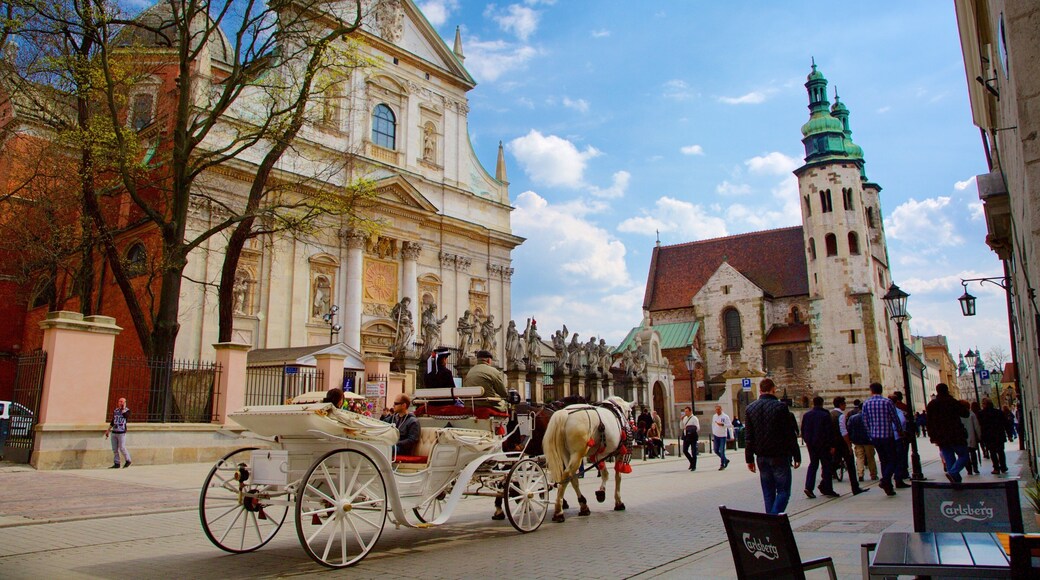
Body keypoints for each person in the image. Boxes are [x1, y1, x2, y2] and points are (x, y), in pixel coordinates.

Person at [745, 379, 800, 515]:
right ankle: (773, 521)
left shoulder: (750, 408)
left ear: (760, 389)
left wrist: (749, 459)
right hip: (779, 456)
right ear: (773, 389)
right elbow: (789, 434)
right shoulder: (780, 407)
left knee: (768, 494)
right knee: (783, 492)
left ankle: (771, 526)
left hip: (761, 457)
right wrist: (796, 454)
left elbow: (749, 437)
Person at [924, 383, 970, 483]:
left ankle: (955, 481)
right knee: (964, 456)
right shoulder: (952, 402)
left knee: (949, 459)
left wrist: (932, 436)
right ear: (947, 390)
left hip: (941, 437)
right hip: (956, 434)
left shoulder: (932, 404)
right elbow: (966, 414)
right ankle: (953, 473)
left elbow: (929, 422)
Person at [861, 383, 901, 496]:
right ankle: (885, 480)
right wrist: (900, 430)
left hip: (875, 437)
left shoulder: (866, 403)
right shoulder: (887, 402)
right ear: (881, 390)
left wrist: (870, 434)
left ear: (871, 391)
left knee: (883, 460)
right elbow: (895, 418)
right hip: (887, 435)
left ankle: (888, 486)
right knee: (893, 459)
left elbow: (865, 421)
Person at [801, 396, 837, 498]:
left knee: (813, 464)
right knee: (826, 466)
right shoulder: (825, 415)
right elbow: (830, 431)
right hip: (823, 445)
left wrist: (808, 440)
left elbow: (803, 430)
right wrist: (832, 445)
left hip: (811, 445)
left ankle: (808, 487)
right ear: (822, 403)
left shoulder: (807, 415)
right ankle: (828, 488)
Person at [831, 397, 868, 495]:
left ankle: (824, 482)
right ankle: (855, 488)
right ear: (840, 405)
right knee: (850, 465)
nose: (845, 405)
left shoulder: (830, 414)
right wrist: (848, 445)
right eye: (844, 404)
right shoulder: (841, 416)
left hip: (835, 443)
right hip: (842, 443)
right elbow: (844, 432)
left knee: (834, 463)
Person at [846, 399, 878, 482]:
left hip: (857, 441)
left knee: (860, 457)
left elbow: (848, 428)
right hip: (868, 440)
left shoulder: (852, 418)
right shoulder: (870, 417)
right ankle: (873, 474)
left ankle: (860, 474)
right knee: (870, 457)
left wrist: (851, 438)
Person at [977, 397, 1008, 474]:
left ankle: (996, 468)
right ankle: (1003, 467)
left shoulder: (981, 414)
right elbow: (1006, 423)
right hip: (999, 435)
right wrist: (1009, 434)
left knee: (992, 452)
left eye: (983, 404)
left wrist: (980, 437)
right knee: (1001, 451)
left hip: (988, 436)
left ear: (985, 404)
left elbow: (980, 426)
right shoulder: (999, 412)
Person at [104, 397, 132, 469]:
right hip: (114, 432)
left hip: (122, 432)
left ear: (125, 402)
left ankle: (128, 460)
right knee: (114, 449)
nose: (121, 403)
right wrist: (108, 430)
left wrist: (123, 409)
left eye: (122, 402)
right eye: (120, 401)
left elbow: (126, 416)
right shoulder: (116, 410)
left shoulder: (127, 411)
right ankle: (117, 463)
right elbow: (113, 420)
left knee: (122, 447)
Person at [962, 399, 983, 475]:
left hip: (962, 438)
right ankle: (975, 468)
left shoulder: (958, 415)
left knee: (965, 454)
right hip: (971, 436)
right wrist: (979, 436)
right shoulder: (971, 414)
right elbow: (977, 426)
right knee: (973, 453)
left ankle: (969, 469)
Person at [711, 405, 732, 470]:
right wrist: (713, 431)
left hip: (723, 435)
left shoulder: (725, 416)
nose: (717, 411)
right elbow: (713, 424)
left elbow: (730, 425)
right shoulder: (714, 416)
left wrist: (723, 425)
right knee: (716, 450)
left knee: (722, 450)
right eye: (716, 410)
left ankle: (722, 464)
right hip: (716, 434)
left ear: (721, 409)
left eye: (718, 410)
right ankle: (725, 460)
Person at [680, 406, 699, 471]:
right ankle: (691, 461)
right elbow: (681, 427)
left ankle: (694, 466)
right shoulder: (685, 418)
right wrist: (681, 420)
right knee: (685, 450)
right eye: (685, 411)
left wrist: (690, 429)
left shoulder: (694, 418)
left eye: (687, 411)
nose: (686, 413)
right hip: (686, 436)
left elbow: (698, 428)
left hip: (693, 436)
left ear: (690, 411)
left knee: (693, 452)